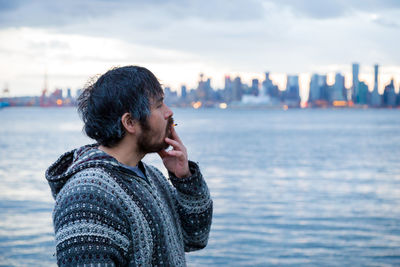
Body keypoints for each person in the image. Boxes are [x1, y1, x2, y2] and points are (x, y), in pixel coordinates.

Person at [45, 66, 213, 266]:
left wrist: (185, 179)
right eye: (159, 105)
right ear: (130, 122)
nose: (169, 112)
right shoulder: (87, 196)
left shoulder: (151, 176)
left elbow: (195, 238)